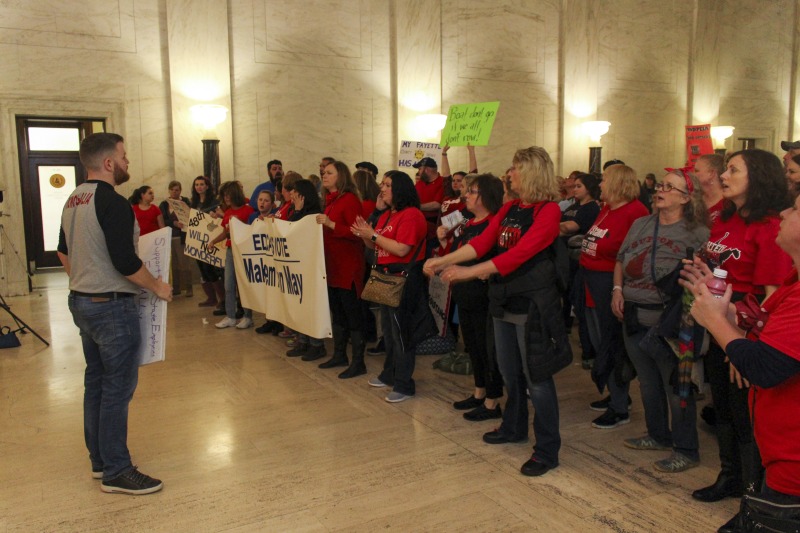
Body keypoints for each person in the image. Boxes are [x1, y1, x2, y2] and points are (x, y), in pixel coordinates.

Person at [424, 147, 568, 477]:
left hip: (533, 304)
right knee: (508, 371)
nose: (509, 174)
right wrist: (442, 261)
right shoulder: (511, 208)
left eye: (515, 168)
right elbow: (483, 243)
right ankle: (513, 426)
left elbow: (519, 254)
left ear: (532, 172)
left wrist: (469, 272)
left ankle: (547, 450)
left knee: (538, 379)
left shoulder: (548, 212)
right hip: (504, 300)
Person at [57, 132, 172, 495]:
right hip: (111, 307)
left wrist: (83, 278)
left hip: (82, 301)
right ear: (108, 163)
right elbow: (125, 261)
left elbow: (62, 251)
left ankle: (100, 460)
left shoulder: (73, 199)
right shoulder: (113, 202)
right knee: (117, 389)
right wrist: (157, 287)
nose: (127, 162)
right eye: (123, 156)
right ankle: (117, 470)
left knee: (97, 382)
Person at [689, 149, 792, 532]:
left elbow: (770, 295)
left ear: (759, 177)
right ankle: (730, 475)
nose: (724, 175)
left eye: (734, 170)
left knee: (748, 419)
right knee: (726, 410)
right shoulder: (727, 219)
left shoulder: (768, 227)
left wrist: (745, 346)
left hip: (747, 332)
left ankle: (753, 496)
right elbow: (721, 268)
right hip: (721, 323)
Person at [613, 169, 709, 473]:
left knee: (676, 384)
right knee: (647, 381)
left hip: (668, 321)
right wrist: (617, 290)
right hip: (633, 313)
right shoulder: (641, 224)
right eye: (661, 186)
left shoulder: (697, 233)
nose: (660, 190)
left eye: (669, 187)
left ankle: (686, 449)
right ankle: (657, 435)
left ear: (685, 198)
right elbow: (620, 259)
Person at [578, 164, 649, 429]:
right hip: (590, 281)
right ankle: (617, 395)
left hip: (611, 282)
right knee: (599, 342)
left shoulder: (636, 212)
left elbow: (632, 254)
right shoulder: (606, 208)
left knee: (612, 344)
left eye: (605, 180)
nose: (601, 184)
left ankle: (620, 407)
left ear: (619, 183)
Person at [351, 171, 430, 403]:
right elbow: (375, 246)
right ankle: (389, 373)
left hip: (404, 279)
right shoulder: (388, 215)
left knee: (401, 334)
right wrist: (365, 233)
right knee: (389, 331)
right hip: (385, 278)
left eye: (387, 185)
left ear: (401, 189)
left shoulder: (412, 215)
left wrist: (372, 235)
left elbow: (402, 249)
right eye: (382, 184)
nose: (382, 188)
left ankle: (405, 384)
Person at [434, 173, 505, 422]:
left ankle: (492, 401)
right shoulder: (467, 221)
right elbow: (455, 254)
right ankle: (479, 391)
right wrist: (444, 242)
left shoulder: (494, 224)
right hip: (464, 293)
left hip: (483, 295)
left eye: (472, 191)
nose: (466, 195)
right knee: (473, 346)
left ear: (486, 196)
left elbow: (489, 263)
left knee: (488, 349)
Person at [315, 161, 367, 378]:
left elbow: (359, 233)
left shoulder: (350, 200)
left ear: (341, 176)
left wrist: (331, 224)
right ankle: (339, 354)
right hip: (332, 266)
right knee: (338, 314)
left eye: (329, 173)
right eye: (323, 173)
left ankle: (358, 362)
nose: (324, 176)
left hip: (348, 267)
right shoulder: (329, 201)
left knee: (352, 315)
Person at [560, 172, 602, 368]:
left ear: (589, 188)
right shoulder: (574, 206)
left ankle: (589, 352)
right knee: (569, 300)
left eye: (579, 186)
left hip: (580, 260)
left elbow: (570, 227)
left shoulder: (591, 208)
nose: (575, 189)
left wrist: (551, 226)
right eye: (574, 186)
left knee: (581, 305)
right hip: (566, 259)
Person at [284, 179, 328, 361]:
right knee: (299, 305)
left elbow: (296, 230)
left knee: (310, 305)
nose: (291, 195)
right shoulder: (296, 211)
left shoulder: (313, 214)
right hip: (297, 266)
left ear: (303, 195)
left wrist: (299, 211)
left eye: (294, 191)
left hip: (310, 267)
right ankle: (303, 340)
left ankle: (316, 344)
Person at [207, 181, 255, 329]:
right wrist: (213, 241)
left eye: (228, 195)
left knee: (244, 285)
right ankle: (230, 316)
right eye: (224, 195)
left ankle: (247, 316)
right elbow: (225, 232)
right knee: (229, 284)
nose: (226, 198)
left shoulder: (248, 211)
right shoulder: (227, 213)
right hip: (230, 250)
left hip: (243, 251)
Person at [190, 176, 224, 311]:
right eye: (196, 184)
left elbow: (219, 218)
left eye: (201, 184)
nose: (199, 187)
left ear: (207, 186)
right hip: (198, 240)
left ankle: (222, 298)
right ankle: (211, 298)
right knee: (203, 270)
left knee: (211, 269)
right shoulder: (194, 202)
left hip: (211, 239)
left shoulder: (214, 201)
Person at [159, 180, 193, 297]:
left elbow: (190, 215)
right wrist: (174, 222)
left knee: (184, 263)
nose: (174, 192)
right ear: (169, 190)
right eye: (172, 190)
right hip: (169, 236)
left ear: (180, 191)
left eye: (177, 190)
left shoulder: (185, 201)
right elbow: (162, 219)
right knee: (173, 265)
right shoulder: (164, 204)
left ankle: (189, 287)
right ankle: (177, 288)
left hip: (182, 236)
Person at [413, 157, 444, 255]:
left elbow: (437, 204)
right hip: (417, 224)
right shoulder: (420, 183)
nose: (419, 172)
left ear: (427, 170)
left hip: (433, 229)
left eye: (420, 169)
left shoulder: (443, 182)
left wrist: (417, 206)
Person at [694, 154, 725, 223]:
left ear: (711, 173)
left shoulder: (728, 203)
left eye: (696, 171)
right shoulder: (694, 199)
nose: (693, 174)